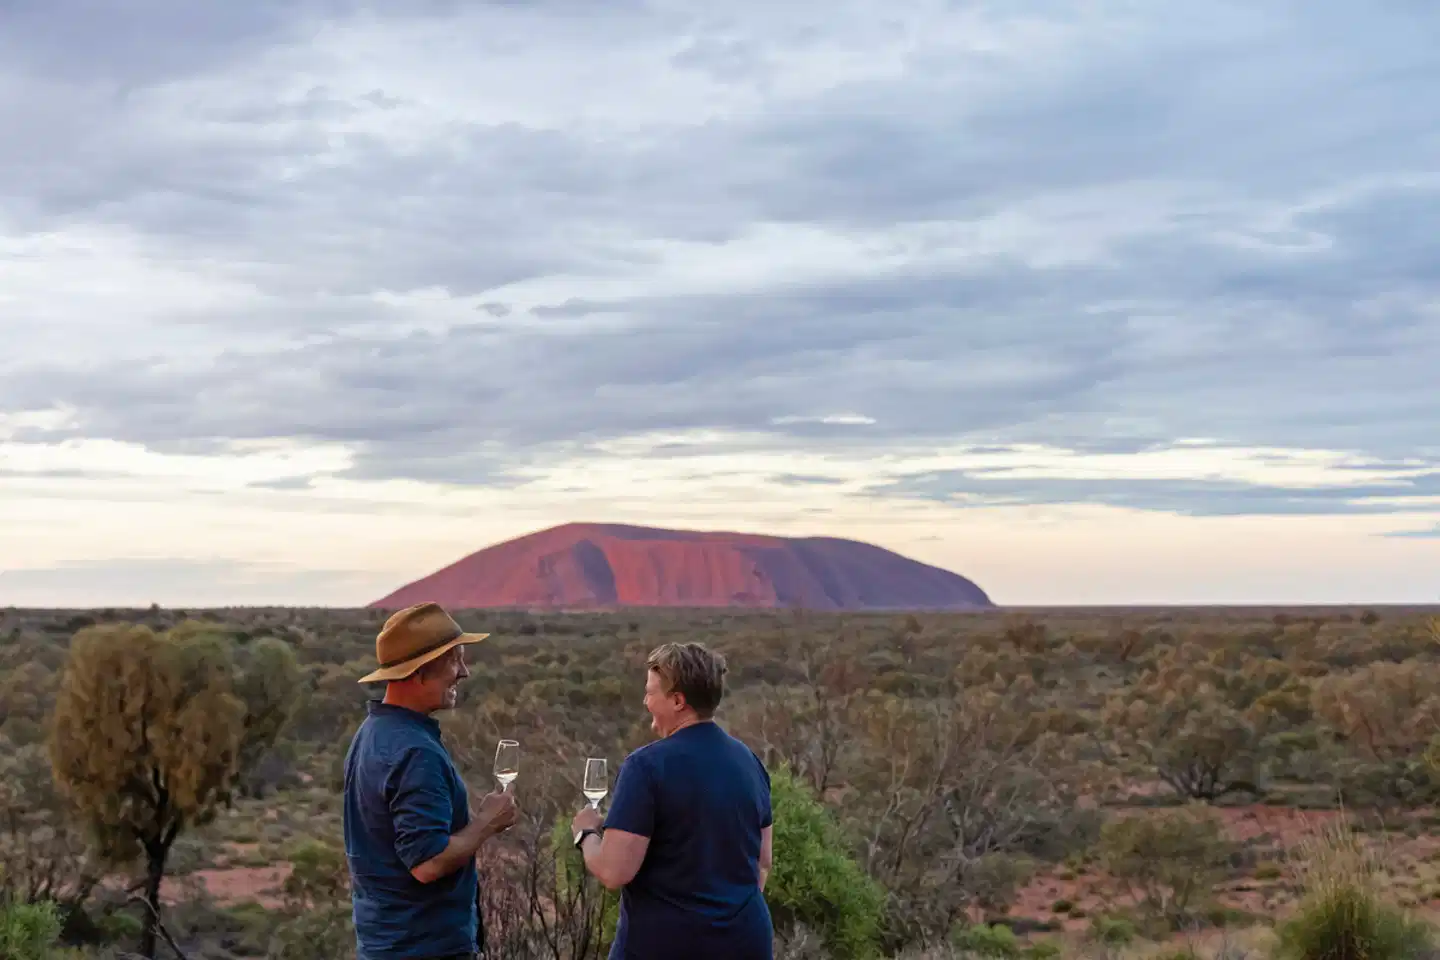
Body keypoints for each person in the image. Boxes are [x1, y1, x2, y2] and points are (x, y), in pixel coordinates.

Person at [571, 642, 774, 960]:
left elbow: (613, 871)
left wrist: (585, 834)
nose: (645, 701)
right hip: (746, 943)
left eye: (651, 692)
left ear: (678, 701)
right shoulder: (750, 762)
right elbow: (762, 862)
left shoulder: (647, 767)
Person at [345, 601, 519, 960]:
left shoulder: (373, 732)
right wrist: (487, 823)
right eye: (455, 660)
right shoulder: (414, 752)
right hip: (424, 947)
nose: (464, 672)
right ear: (420, 671)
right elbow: (428, 863)